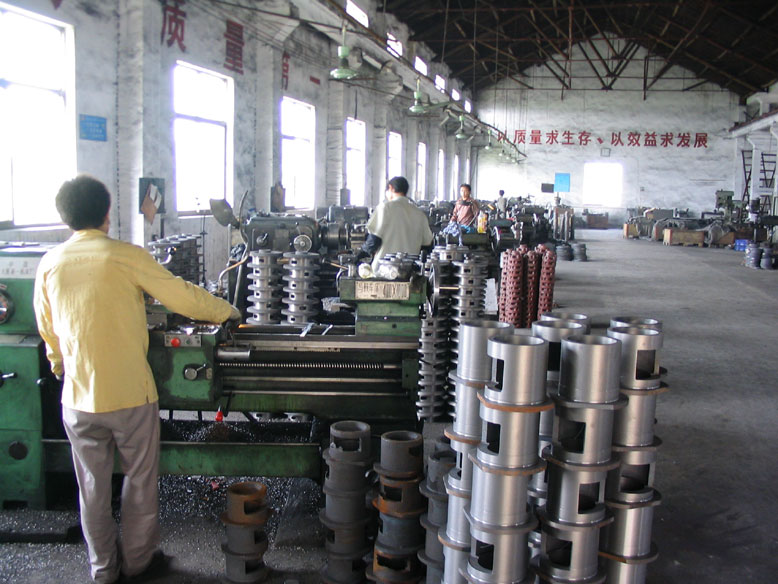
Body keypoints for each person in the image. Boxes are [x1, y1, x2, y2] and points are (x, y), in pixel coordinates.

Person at [33, 175, 241, 584]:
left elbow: (48, 330)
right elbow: (181, 296)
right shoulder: (125, 256)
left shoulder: (50, 264)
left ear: (65, 218)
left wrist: (61, 366)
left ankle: (103, 569)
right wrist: (226, 312)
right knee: (139, 480)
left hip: (78, 399)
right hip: (130, 395)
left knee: (91, 489)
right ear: (107, 214)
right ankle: (140, 562)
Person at [359, 176, 433, 272]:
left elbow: (373, 241)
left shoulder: (385, 208)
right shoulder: (420, 214)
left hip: (384, 271)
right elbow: (427, 245)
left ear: (391, 188)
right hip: (410, 273)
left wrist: (359, 255)